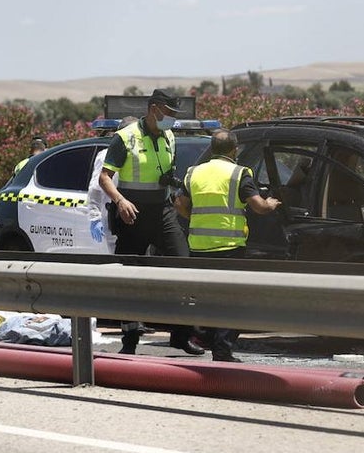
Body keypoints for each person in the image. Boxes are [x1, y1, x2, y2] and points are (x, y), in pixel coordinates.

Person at [99, 89, 200, 355]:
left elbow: (165, 174)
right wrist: (120, 201)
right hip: (132, 213)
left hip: (162, 211)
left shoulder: (170, 136)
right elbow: (105, 177)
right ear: (154, 109)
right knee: (129, 278)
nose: (172, 118)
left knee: (184, 265)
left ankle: (181, 335)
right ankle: (129, 340)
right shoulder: (125, 137)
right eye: (169, 112)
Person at [174, 129, 280, 362]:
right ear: (234, 150)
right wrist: (271, 203)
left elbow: (179, 204)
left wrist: (197, 218)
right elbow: (259, 206)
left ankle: (204, 338)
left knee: (206, 297)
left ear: (212, 149)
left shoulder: (194, 172)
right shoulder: (239, 173)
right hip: (229, 246)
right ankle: (222, 350)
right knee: (232, 299)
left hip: (199, 246)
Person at [86, 116, 137, 252]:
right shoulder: (106, 156)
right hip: (113, 217)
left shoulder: (141, 156)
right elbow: (95, 189)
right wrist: (95, 218)